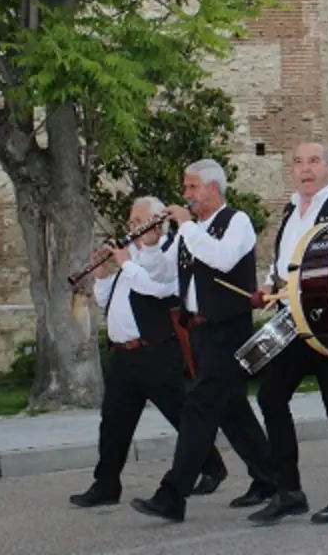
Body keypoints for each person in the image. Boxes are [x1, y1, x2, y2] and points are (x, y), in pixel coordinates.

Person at [128, 159, 278, 523]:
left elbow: (223, 260)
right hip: (198, 331)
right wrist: (148, 245)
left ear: (213, 189)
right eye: (186, 187)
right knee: (231, 409)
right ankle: (270, 478)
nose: (186, 195)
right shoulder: (188, 231)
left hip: (228, 328)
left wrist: (186, 225)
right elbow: (165, 274)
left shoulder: (236, 222)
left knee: (198, 407)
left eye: (192, 187)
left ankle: (172, 494)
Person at [69, 197, 226, 509]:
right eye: (130, 222)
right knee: (113, 421)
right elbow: (110, 301)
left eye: (139, 221)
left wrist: (126, 262)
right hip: (124, 356)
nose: (133, 228)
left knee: (181, 415)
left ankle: (212, 465)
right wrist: (102, 277)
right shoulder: (131, 255)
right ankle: (106, 484)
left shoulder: (167, 252)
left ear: (158, 221)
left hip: (156, 352)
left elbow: (157, 288)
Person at [248, 142, 328, 525]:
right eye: (298, 162)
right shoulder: (290, 210)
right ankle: (289, 491)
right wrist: (269, 287)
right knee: (270, 396)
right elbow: (282, 263)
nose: (305, 169)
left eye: (313, 161)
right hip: (291, 324)